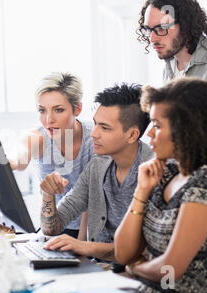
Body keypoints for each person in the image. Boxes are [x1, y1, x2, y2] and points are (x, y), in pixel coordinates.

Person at [114, 78, 207, 293]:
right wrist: (142, 191)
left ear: (189, 129)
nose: (149, 135)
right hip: (147, 292)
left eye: (156, 125)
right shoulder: (167, 171)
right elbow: (123, 253)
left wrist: (136, 269)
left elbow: (170, 272)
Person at [40, 83, 153, 262]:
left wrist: (84, 247)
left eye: (104, 127)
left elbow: (147, 251)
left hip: (135, 274)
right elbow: (52, 228)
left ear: (132, 135)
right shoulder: (98, 164)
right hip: (100, 269)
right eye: (94, 124)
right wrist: (48, 194)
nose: (93, 134)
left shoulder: (155, 172)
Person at [9, 72, 93, 239]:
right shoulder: (38, 137)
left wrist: (83, 247)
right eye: (42, 110)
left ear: (78, 109)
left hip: (92, 229)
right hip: (53, 226)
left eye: (59, 110)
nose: (48, 120)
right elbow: (20, 157)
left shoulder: (94, 138)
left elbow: (92, 202)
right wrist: (7, 162)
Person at [137, 0, 207, 118]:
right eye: (148, 29)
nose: (152, 39)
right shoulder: (171, 62)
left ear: (185, 26)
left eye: (161, 28)